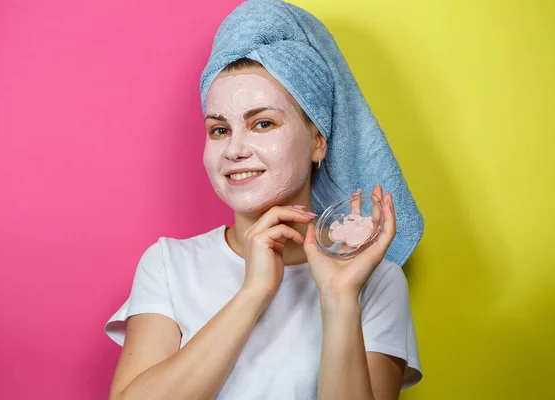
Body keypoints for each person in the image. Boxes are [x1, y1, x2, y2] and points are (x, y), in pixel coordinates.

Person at [105, 1, 424, 399]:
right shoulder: (169, 265)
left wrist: (340, 299)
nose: (235, 149)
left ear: (317, 141)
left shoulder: (374, 281)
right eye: (219, 130)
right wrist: (253, 293)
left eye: (263, 123)